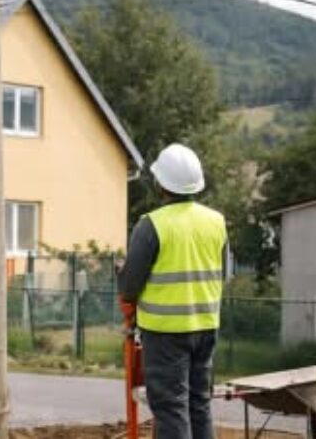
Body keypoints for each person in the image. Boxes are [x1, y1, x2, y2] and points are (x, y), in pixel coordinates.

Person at [118, 143, 228, 439]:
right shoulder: (216, 222)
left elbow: (129, 288)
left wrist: (122, 273)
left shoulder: (151, 225)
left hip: (166, 333)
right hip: (206, 327)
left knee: (170, 408)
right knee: (199, 404)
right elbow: (223, 274)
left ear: (160, 183)